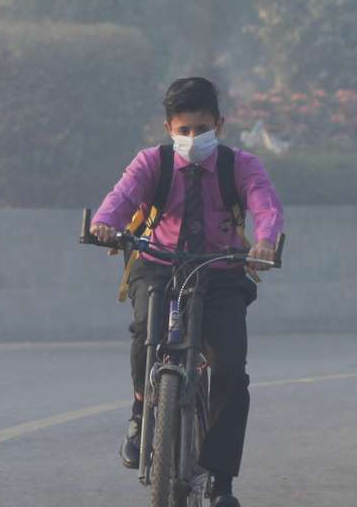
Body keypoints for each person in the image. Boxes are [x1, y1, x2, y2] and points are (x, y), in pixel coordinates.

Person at [91, 77, 283, 507]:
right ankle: (142, 417)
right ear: (168, 128)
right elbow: (120, 199)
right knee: (145, 331)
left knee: (230, 369)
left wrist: (265, 240)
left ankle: (220, 481)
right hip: (159, 266)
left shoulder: (242, 165)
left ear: (219, 123)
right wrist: (105, 224)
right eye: (184, 130)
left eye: (201, 129)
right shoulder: (151, 163)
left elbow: (265, 205)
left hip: (222, 271)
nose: (193, 138)